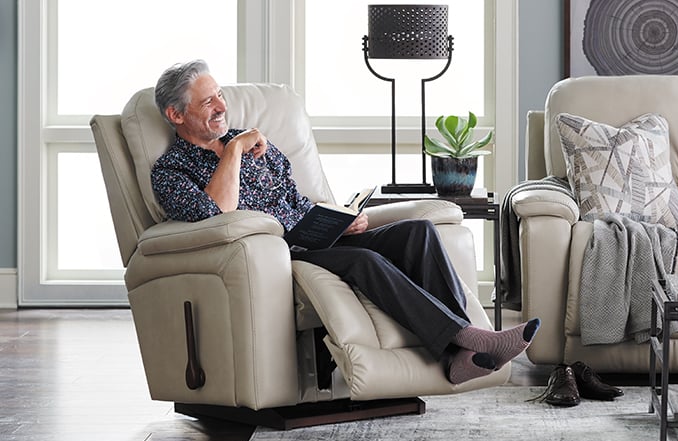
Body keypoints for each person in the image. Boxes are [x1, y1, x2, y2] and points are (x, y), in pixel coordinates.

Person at [150, 60, 539, 384]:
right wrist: (233, 148)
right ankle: (471, 338)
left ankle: (462, 355)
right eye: (208, 101)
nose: (221, 105)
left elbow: (295, 198)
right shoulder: (171, 170)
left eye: (220, 95)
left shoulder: (258, 143)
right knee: (365, 262)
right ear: (176, 114)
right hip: (281, 254)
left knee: (418, 232)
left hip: (317, 235)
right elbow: (218, 213)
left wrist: (340, 219)